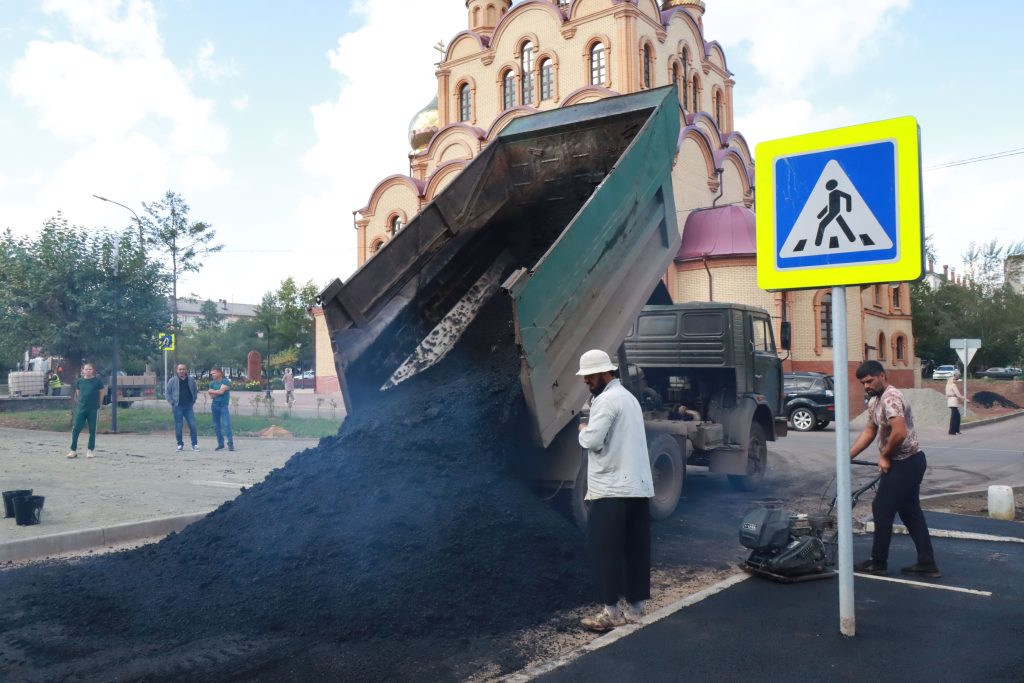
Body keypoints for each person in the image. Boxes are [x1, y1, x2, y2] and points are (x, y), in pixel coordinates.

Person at [576, 349, 655, 632]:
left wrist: (583, 428)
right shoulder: (629, 398)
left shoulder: (607, 401)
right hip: (637, 487)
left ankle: (611, 611)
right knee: (635, 548)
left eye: (589, 376)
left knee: (604, 550)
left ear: (603, 373)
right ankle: (636, 609)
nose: (586, 381)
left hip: (611, 489)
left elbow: (593, 441)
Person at [849, 360, 940, 578]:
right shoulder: (875, 401)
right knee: (910, 512)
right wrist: (847, 456)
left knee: (881, 508)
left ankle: (878, 562)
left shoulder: (891, 398)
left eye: (869, 381)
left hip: (907, 462)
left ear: (882, 376)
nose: (866, 386)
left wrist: (884, 456)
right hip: (907, 463)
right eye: (863, 383)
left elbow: (899, 433)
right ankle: (927, 563)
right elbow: (870, 431)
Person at [67, 363, 105, 459]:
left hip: (93, 408)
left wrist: (99, 403)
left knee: (92, 430)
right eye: (86, 369)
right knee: (76, 429)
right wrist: (81, 403)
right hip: (81, 408)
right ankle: (73, 450)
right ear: (82, 370)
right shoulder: (79, 381)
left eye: (90, 369)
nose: (88, 371)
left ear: (93, 370)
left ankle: (90, 450)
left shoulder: (97, 381)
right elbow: (78, 393)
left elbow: (101, 392)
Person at [166, 363, 199, 452]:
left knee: (192, 425)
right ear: (177, 370)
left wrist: (193, 400)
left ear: (186, 370)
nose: (182, 371)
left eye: (183, 369)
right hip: (177, 407)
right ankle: (180, 444)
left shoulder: (191, 380)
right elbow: (168, 393)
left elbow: (195, 391)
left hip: (188, 407)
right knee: (179, 426)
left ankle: (194, 444)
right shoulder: (172, 381)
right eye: (180, 369)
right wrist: (172, 402)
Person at [207, 367, 235, 452]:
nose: (213, 375)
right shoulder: (212, 383)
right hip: (215, 405)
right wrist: (217, 391)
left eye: (214, 373)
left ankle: (230, 443)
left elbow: (221, 392)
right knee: (216, 426)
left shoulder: (225, 381)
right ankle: (221, 444)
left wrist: (212, 391)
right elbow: (212, 396)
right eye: (212, 374)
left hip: (223, 406)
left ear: (219, 373)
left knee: (226, 424)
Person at [945, 371, 964, 435]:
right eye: (955, 379)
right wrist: (964, 399)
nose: (956, 380)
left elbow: (947, 395)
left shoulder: (947, 385)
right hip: (953, 401)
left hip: (950, 401)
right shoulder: (953, 385)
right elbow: (958, 394)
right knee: (955, 416)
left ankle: (955, 430)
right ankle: (952, 431)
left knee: (956, 415)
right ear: (952, 379)